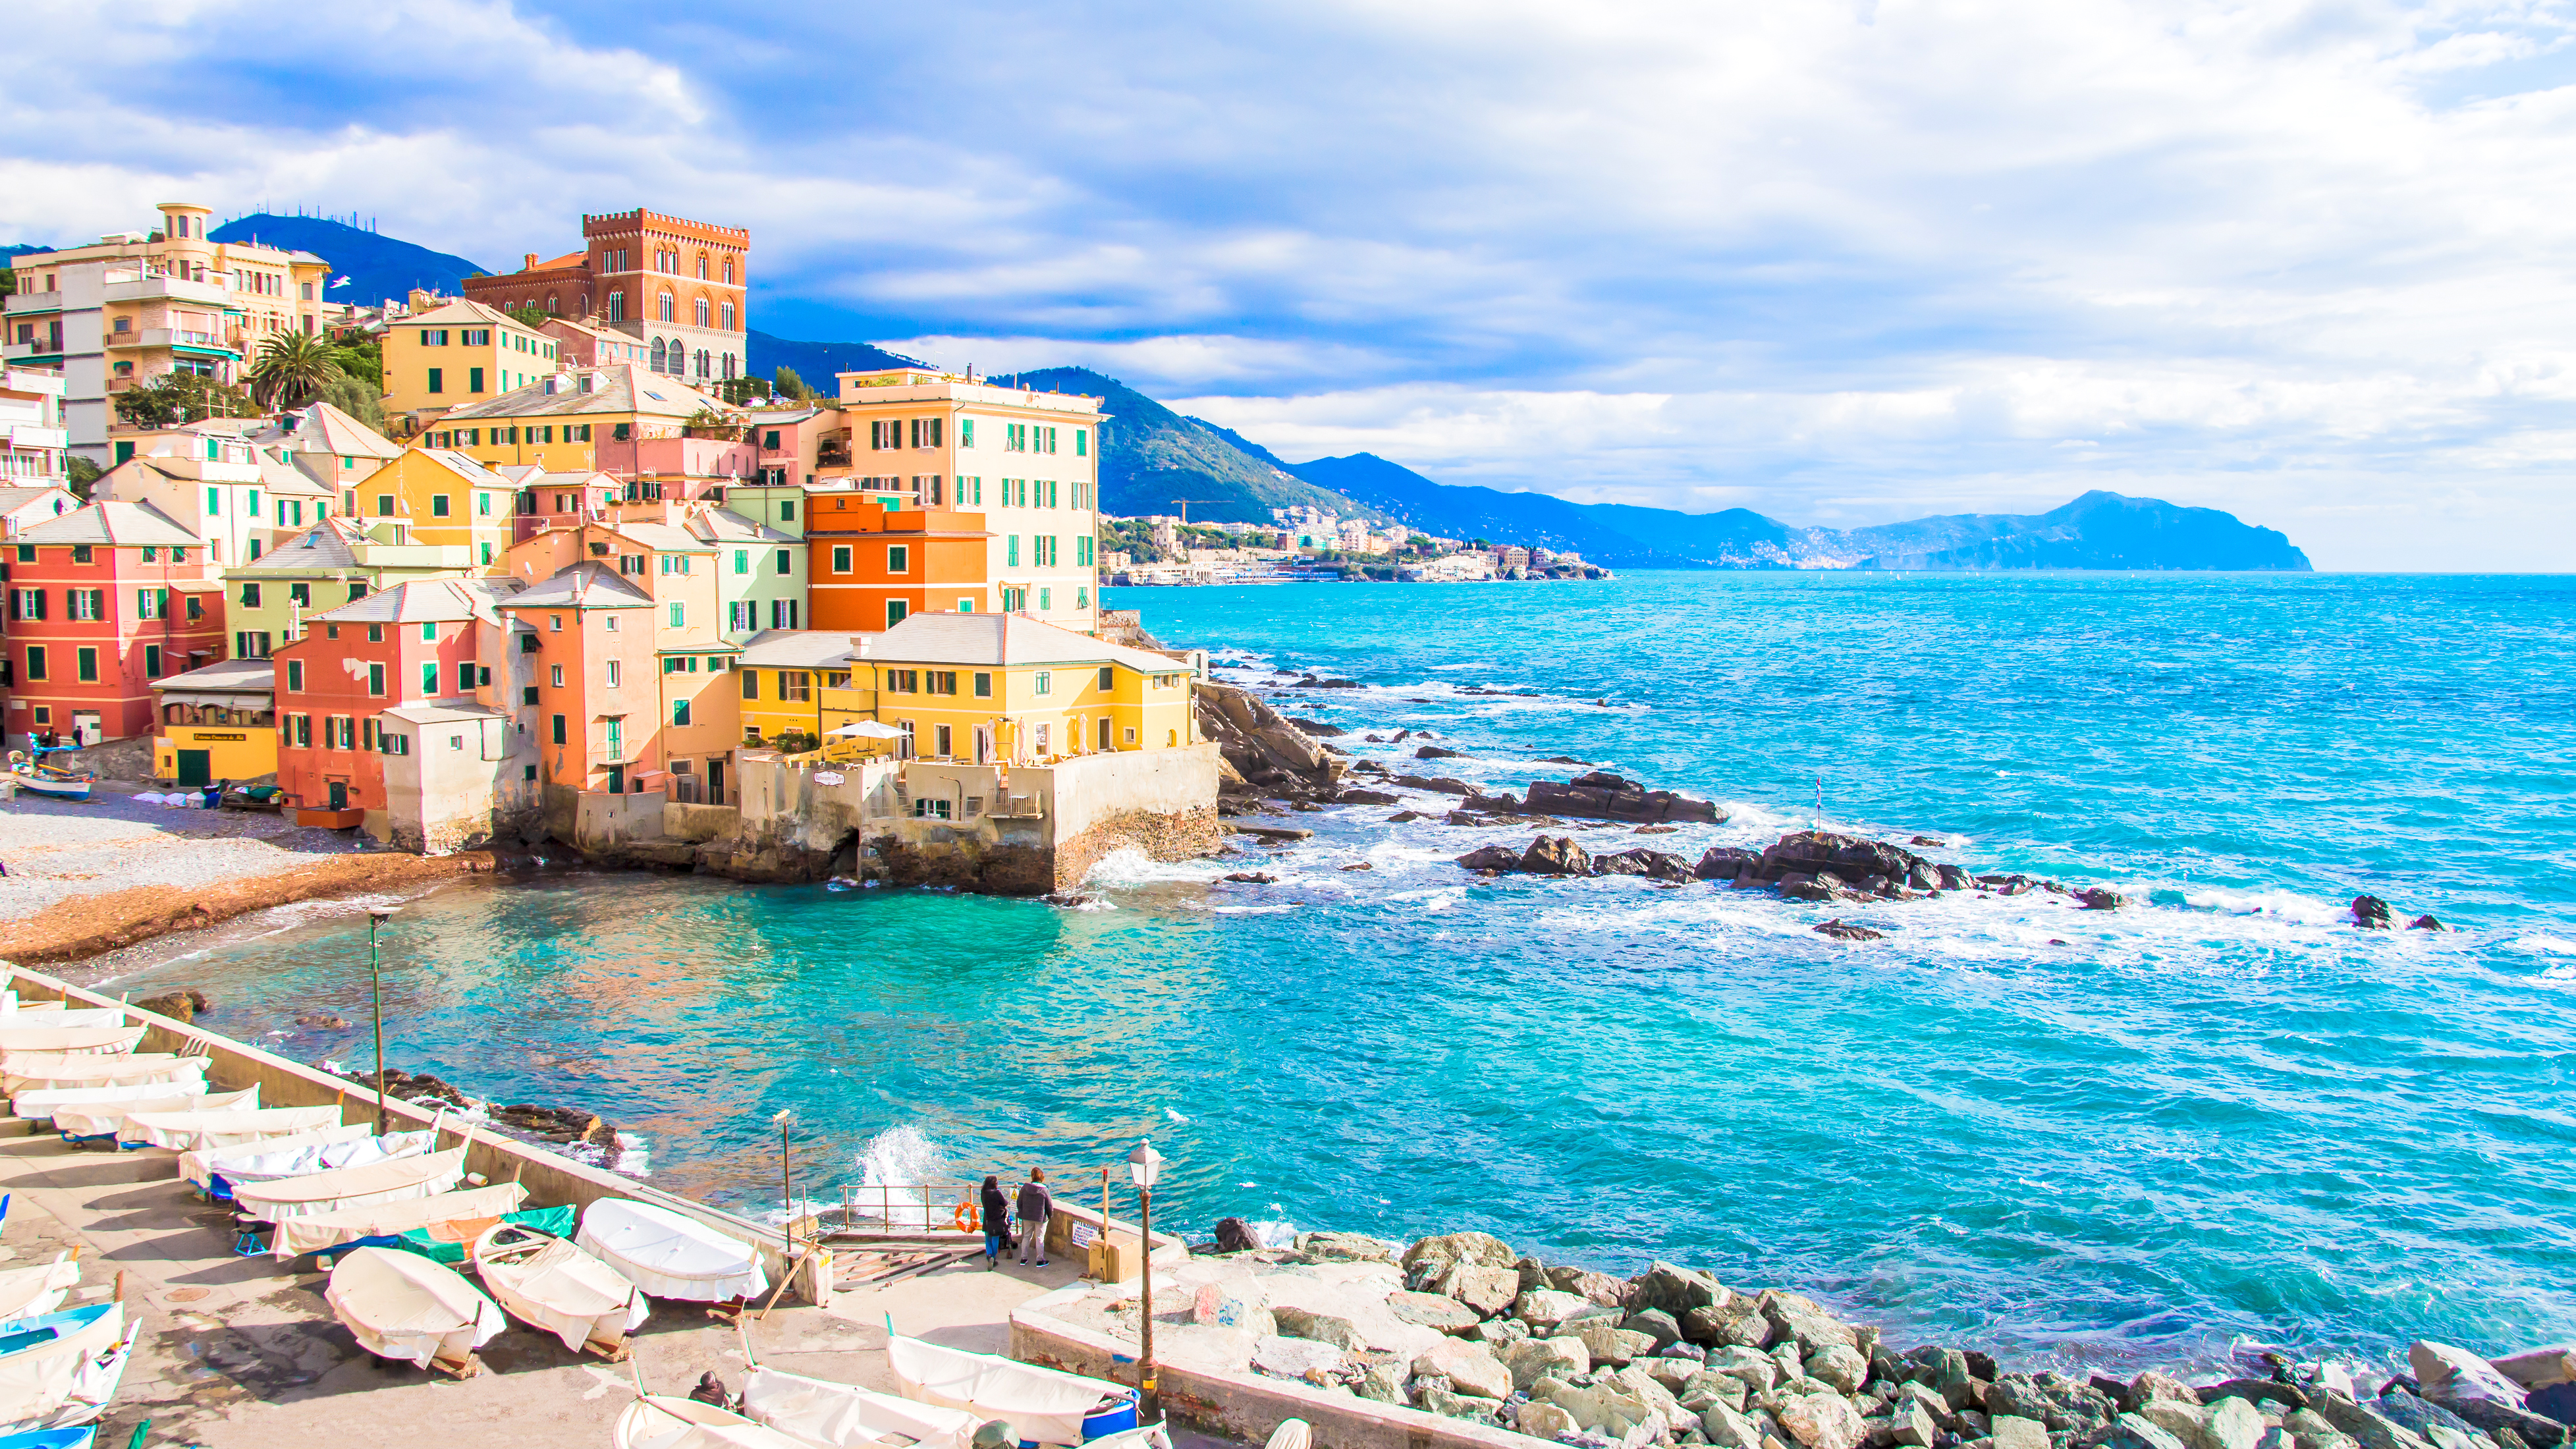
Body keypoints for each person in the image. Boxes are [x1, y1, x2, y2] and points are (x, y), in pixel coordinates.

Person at [1014, 1167, 1051, 1267]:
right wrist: (1049, 1216)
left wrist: (1022, 1211)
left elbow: (1019, 1202)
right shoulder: (1044, 1190)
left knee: (1026, 1236)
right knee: (1039, 1238)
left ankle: (1023, 1258)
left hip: (1027, 1216)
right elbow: (1049, 1205)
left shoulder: (1025, 1188)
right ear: (1042, 1177)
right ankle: (1040, 1260)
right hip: (1040, 1217)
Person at [979, 1174, 1011, 1269]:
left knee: (988, 1238)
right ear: (995, 1184)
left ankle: (989, 1256)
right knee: (995, 1238)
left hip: (987, 1219)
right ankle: (993, 1256)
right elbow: (1004, 1203)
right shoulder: (997, 1193)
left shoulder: (983, 1192)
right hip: (996, 1219)